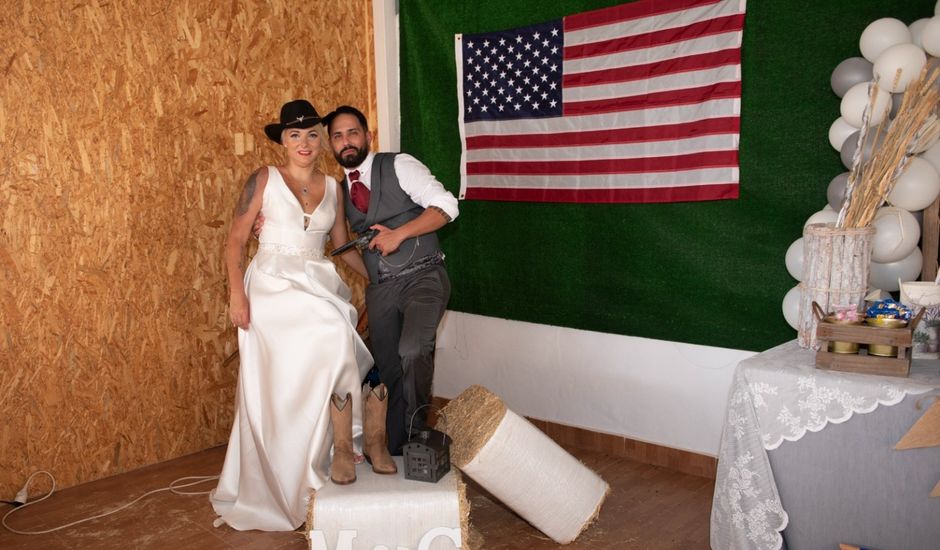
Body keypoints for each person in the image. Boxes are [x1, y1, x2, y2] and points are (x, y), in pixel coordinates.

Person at [210, 100, 396, 532]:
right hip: (272, 285)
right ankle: (307, 463)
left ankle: (330, 458)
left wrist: (380, 279)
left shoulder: (334, 187)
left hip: (315, 282)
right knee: (323, 341)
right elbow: (236, 242)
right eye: (295, 136)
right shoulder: (264, 180)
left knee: (333, 337)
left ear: (322, 140)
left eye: (313, 134)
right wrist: (237, 297)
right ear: (282, 142)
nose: (305, 143)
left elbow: (342, 247)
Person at [324, 105, 459, 455]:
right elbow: (341, 246)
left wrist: (399, 235)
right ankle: (400, 452)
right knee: (389, 371)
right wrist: (375, 275)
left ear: (368, 136)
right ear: (331, 145)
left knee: (413, 349)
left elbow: (447, 206)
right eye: (337, 136)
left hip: (425, 276)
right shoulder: (339, 191)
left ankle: (420, 439)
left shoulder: (398, 165)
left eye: (353, 132)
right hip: (382, 290)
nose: (346, 141)